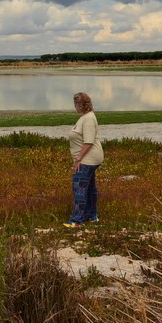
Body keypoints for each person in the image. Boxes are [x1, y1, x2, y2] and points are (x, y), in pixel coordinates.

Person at [63, 92, 104, 228]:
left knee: (79, 186)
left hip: (88, 159)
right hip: (89, 158)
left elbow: (88, 142)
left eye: (77, 104)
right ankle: (91, 216)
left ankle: (77, 220)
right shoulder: (85, 117)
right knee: (90, 187)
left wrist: (78, 159)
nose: (75, 106)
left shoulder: (88, 119)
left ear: (81, 105)